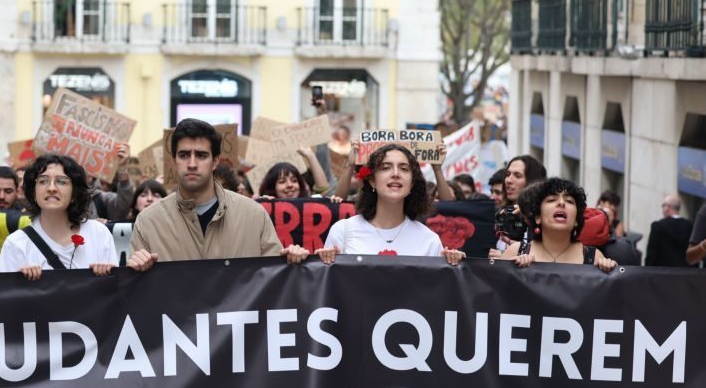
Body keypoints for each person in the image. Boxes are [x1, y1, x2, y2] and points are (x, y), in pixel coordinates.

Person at [130, 118, 308, 269]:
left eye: (201, 155)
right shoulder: (147, 223)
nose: (192, 164)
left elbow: (275, 279)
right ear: (174, 161)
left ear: (215, 161)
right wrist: (136, 270)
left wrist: (294, 261)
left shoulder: (254, 215)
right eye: (184, 155)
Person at [315, 144, 465, 265]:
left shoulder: (429, 240)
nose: (396, 174)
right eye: (386, 168)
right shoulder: (342, 231)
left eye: (404, 169)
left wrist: (455, 265)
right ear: (372, 180)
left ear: (412, 183)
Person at [0, 154, 143, 279]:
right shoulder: (16, 244)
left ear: (74, 194)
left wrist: (106, 278)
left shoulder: (99, 234)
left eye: (61, 181)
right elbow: (5, 302)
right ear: (33, 193)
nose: (52, 188)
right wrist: (19, 283)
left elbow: (113, 298)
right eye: (43, 181)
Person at [501, 178, 616, 272]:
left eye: (569, 201)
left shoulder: (594, 258)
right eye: (551, 200)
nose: (561, 203)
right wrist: (511, 271)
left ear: (576, 220)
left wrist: (612, 273)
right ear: (537, 217)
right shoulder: (515, 252)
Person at [645, 194, 695, 267]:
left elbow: (651, 256)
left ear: (667, 207)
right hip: (685, 275)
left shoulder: (658, 226)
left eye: (663, 205)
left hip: (662, 275)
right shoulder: (690, 226)